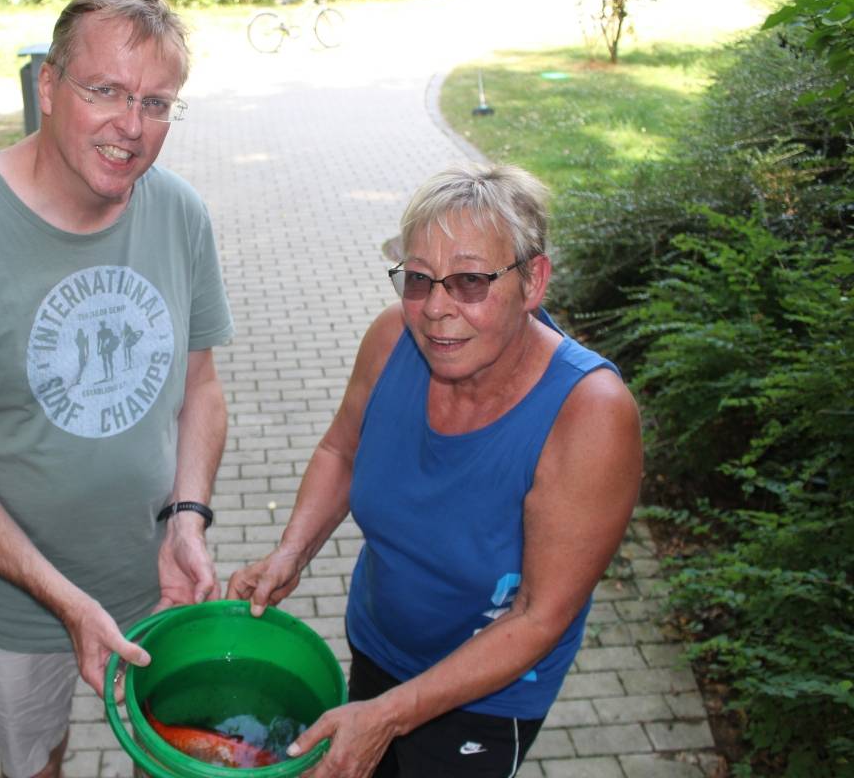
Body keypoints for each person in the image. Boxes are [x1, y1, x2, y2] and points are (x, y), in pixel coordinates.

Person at [0, 0, 233, 778]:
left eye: (157, 102)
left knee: (171, 760)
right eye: (103, 90)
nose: (130, 127)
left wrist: (188, 520)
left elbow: (200, 389)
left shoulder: (179, 213)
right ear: (47, 84)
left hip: (154, 580)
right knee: (38, 765)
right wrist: (64, 601)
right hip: (12, 605)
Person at [228, 163, 642, 778]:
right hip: (378, 645)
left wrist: (391, 716)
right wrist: (292, 551)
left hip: (489, 693)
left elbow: (539, 615)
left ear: (534, 282)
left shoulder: (590, 414)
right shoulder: (394, 337)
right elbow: (342, 450)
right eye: (418, 280)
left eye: (470, 281)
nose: (436, 310)